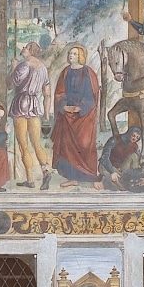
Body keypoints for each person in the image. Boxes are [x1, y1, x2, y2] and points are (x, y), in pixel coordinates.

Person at [51, 45, 100, 184]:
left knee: (84, 144)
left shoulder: (88, 72)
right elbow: (60, 92)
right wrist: (64, 106)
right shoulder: (66, 71)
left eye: (74, 53)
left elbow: (92, 95)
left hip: (84, 117)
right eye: (70, 53)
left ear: (80, 56)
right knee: (66, 146)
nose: (71, 55)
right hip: (67, 115)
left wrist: (81, 108)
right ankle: (71, 178)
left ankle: (86, 175)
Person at [9, 40, 49, 186]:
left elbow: (10, 85)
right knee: (37, 144)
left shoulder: (23, 65)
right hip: (34, 105)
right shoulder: (43, 68)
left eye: (26, 47)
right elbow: (47, 93)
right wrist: (46, 113)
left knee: (23, 145)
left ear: (31, 51)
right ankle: (46, 171)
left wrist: (13, 67)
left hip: (21, 103)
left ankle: (30, 179)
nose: (23, 48)